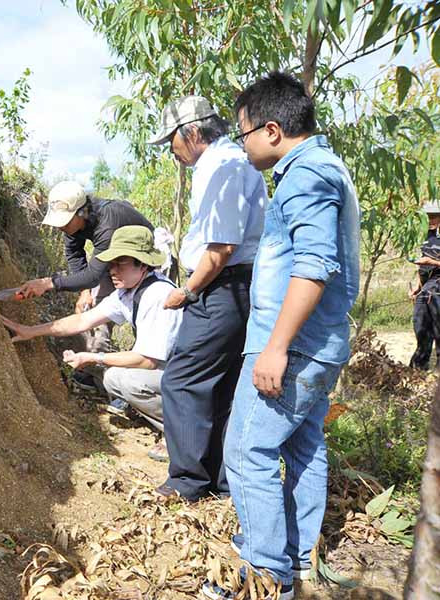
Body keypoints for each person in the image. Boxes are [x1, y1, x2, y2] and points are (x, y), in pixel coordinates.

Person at [201, 72, 360, 600]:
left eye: (243, 133)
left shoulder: (308, 174)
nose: (242, 144)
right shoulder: (323, 168)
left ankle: (266, 576)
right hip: (319, 343)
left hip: (294, 345)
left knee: (247, 450)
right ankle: (295, 560)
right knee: (304, 445)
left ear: (272, 130)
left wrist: (275, 347)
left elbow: (313, 266)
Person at [147, 96, 267, 492]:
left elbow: (222, 247)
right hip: (236, 286)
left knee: (181, 379)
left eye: (172, 140)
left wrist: (188, 290)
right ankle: (219, 479)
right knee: (221, 382)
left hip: (222, 287)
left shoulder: (223, 167)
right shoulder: (231, 162)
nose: (171, 150)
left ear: (193, 133)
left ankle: (187, 480)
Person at [2, 226, 182, 430]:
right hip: (170, 369)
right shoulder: (128, 292)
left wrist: (94, 357)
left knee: (124, 380)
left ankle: (182, 431)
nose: (112, 270)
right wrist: (30, 331)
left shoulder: (157, 295)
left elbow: (146, 361)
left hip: (189, 374)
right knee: (114, 379)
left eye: (120, 263)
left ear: (142, 264)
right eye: (111, 263)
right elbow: (82, 321)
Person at [16, 181, 155, 392]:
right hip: (117, 261)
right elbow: (75, 256)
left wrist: (49, 283)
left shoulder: (108, 222)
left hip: (146, 262)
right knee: (95, 312)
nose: (61, 227)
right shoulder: (73, 226)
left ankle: (144, 381)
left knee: (144, 320)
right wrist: (84, 292)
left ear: (82, 212)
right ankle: (100, 377)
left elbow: (92, 275)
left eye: (65, 221)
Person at [409, 202, 440, 370]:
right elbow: (422, 267)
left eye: (434, 216)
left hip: (437, 288)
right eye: (427, 217)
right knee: (420, 324)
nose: (430, 220)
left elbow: (429, 263)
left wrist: (433, 262)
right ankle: (419, 366)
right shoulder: (425, 237)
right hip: (426, 287)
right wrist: (418, 287)